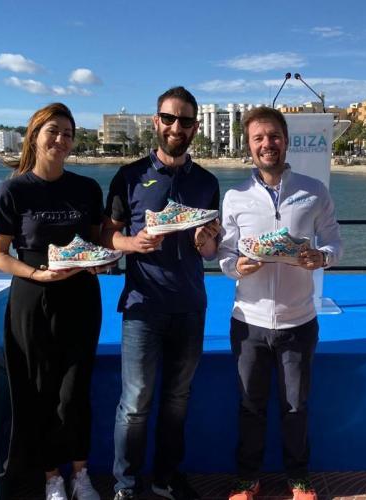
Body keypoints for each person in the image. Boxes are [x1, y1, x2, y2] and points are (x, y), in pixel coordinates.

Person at [102, 86, 220, 500]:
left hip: (190, 305)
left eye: (185, 121)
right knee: (135, 403)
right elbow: (107, 235)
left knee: (177, 399)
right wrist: (132, 243)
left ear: (195, 127)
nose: (176, 127)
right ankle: (126, 486)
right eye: (169, 118)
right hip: (143, 306)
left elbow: (209, 249)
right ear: (156, 122)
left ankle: (166, 478)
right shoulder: (129, 175)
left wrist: (206, 240)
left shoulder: (207, 182)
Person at [218, 107, 342, 500]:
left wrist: (321, 257)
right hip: (248, 321)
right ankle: (247, 478)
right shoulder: (235, 196)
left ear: (286, 141)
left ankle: (298, 477)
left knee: (295, 407)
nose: (267, 144)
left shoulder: (314, 191)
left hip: (298, 320)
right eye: (258, 138)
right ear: (248, 145)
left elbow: (335, 242)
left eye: (273, 136)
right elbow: (224, 253)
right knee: (249, 406)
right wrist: (236, 266)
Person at [0, 103, 107, 500]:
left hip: (81, 298)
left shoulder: (87, 189)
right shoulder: (14, 190)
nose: (61, 139)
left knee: (75, 392)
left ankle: (81, 475)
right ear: (35, 135)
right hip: (33, 297)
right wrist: (37, 274)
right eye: (53, 131)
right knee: (39, 392)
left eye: (68, 133)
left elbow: (97, 244)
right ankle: (52, 477)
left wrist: (101, 261)